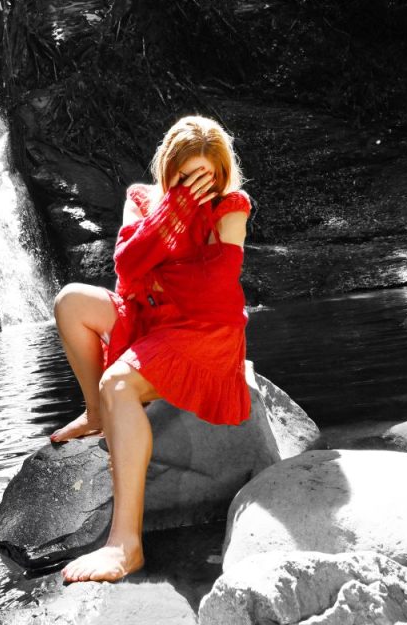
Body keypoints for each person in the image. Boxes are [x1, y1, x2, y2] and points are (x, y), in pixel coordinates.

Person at [48, 114, 254, 583]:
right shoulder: (143, 199)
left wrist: (156, 265)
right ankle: (95, 413)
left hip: (203, 331)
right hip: (149, 317)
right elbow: (125, 266)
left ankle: (126, 545)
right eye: (185, 178)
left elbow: (214, 292)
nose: (194, 188)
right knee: (71, 301)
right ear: (168, 171)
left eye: (206, 177)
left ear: (221, 176)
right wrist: (172, 215)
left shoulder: (232, 207)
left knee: (118, 382)